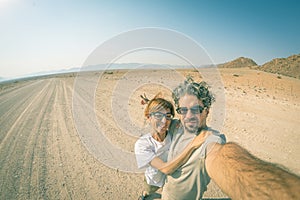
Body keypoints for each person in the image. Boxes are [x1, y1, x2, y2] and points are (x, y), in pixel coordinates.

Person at [161, 76, 300, 200]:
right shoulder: (175, 126)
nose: (189, 115)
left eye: (196, 109)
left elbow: (223, 159)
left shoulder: (210, 139)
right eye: (183, 110)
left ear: (207, 111)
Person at [135, 93, 211, 200]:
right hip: (154, 179)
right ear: (148, 117)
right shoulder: (142, 145)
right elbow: (165, 169)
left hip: (169, 179)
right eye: (158, 116)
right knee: (148, 191)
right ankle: (144, 195)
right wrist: (192, 145)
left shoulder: (172, 129)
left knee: (166, 192)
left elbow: (187, 118)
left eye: (168, 116)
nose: (164, 121)